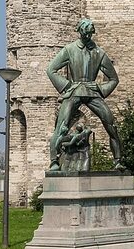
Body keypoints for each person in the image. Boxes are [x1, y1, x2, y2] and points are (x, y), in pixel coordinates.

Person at [47, 18, 124, 171]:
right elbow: (51, 70)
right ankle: (54, 161)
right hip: (74, 90)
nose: (88, 37)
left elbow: (114, 79)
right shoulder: (69, 50)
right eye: (85, 33)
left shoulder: (99, 53)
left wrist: (100, 88)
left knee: (111, 124)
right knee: (62, 126)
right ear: (80, 32)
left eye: (90, 34)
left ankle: (118, 160)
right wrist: (67, 85)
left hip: (92, 92)